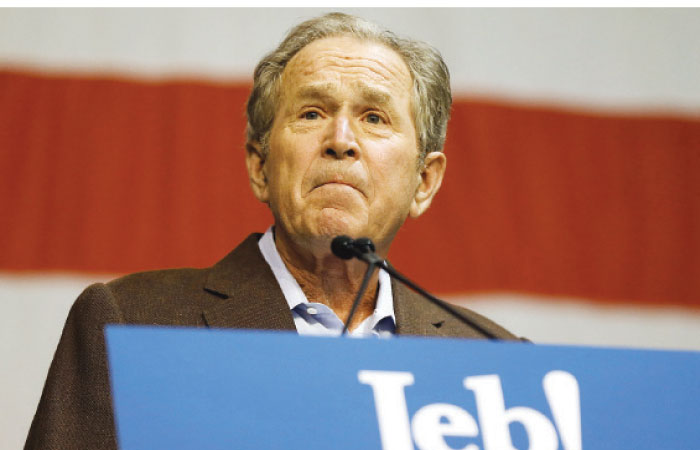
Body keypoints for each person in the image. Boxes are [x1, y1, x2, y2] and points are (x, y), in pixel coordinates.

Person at [25, 12, 521, 449]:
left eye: (374, 117)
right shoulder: (132, 324)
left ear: (424, 182)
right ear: (260, 166)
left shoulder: (496, 361)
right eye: (312, 113)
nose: (341, 141)